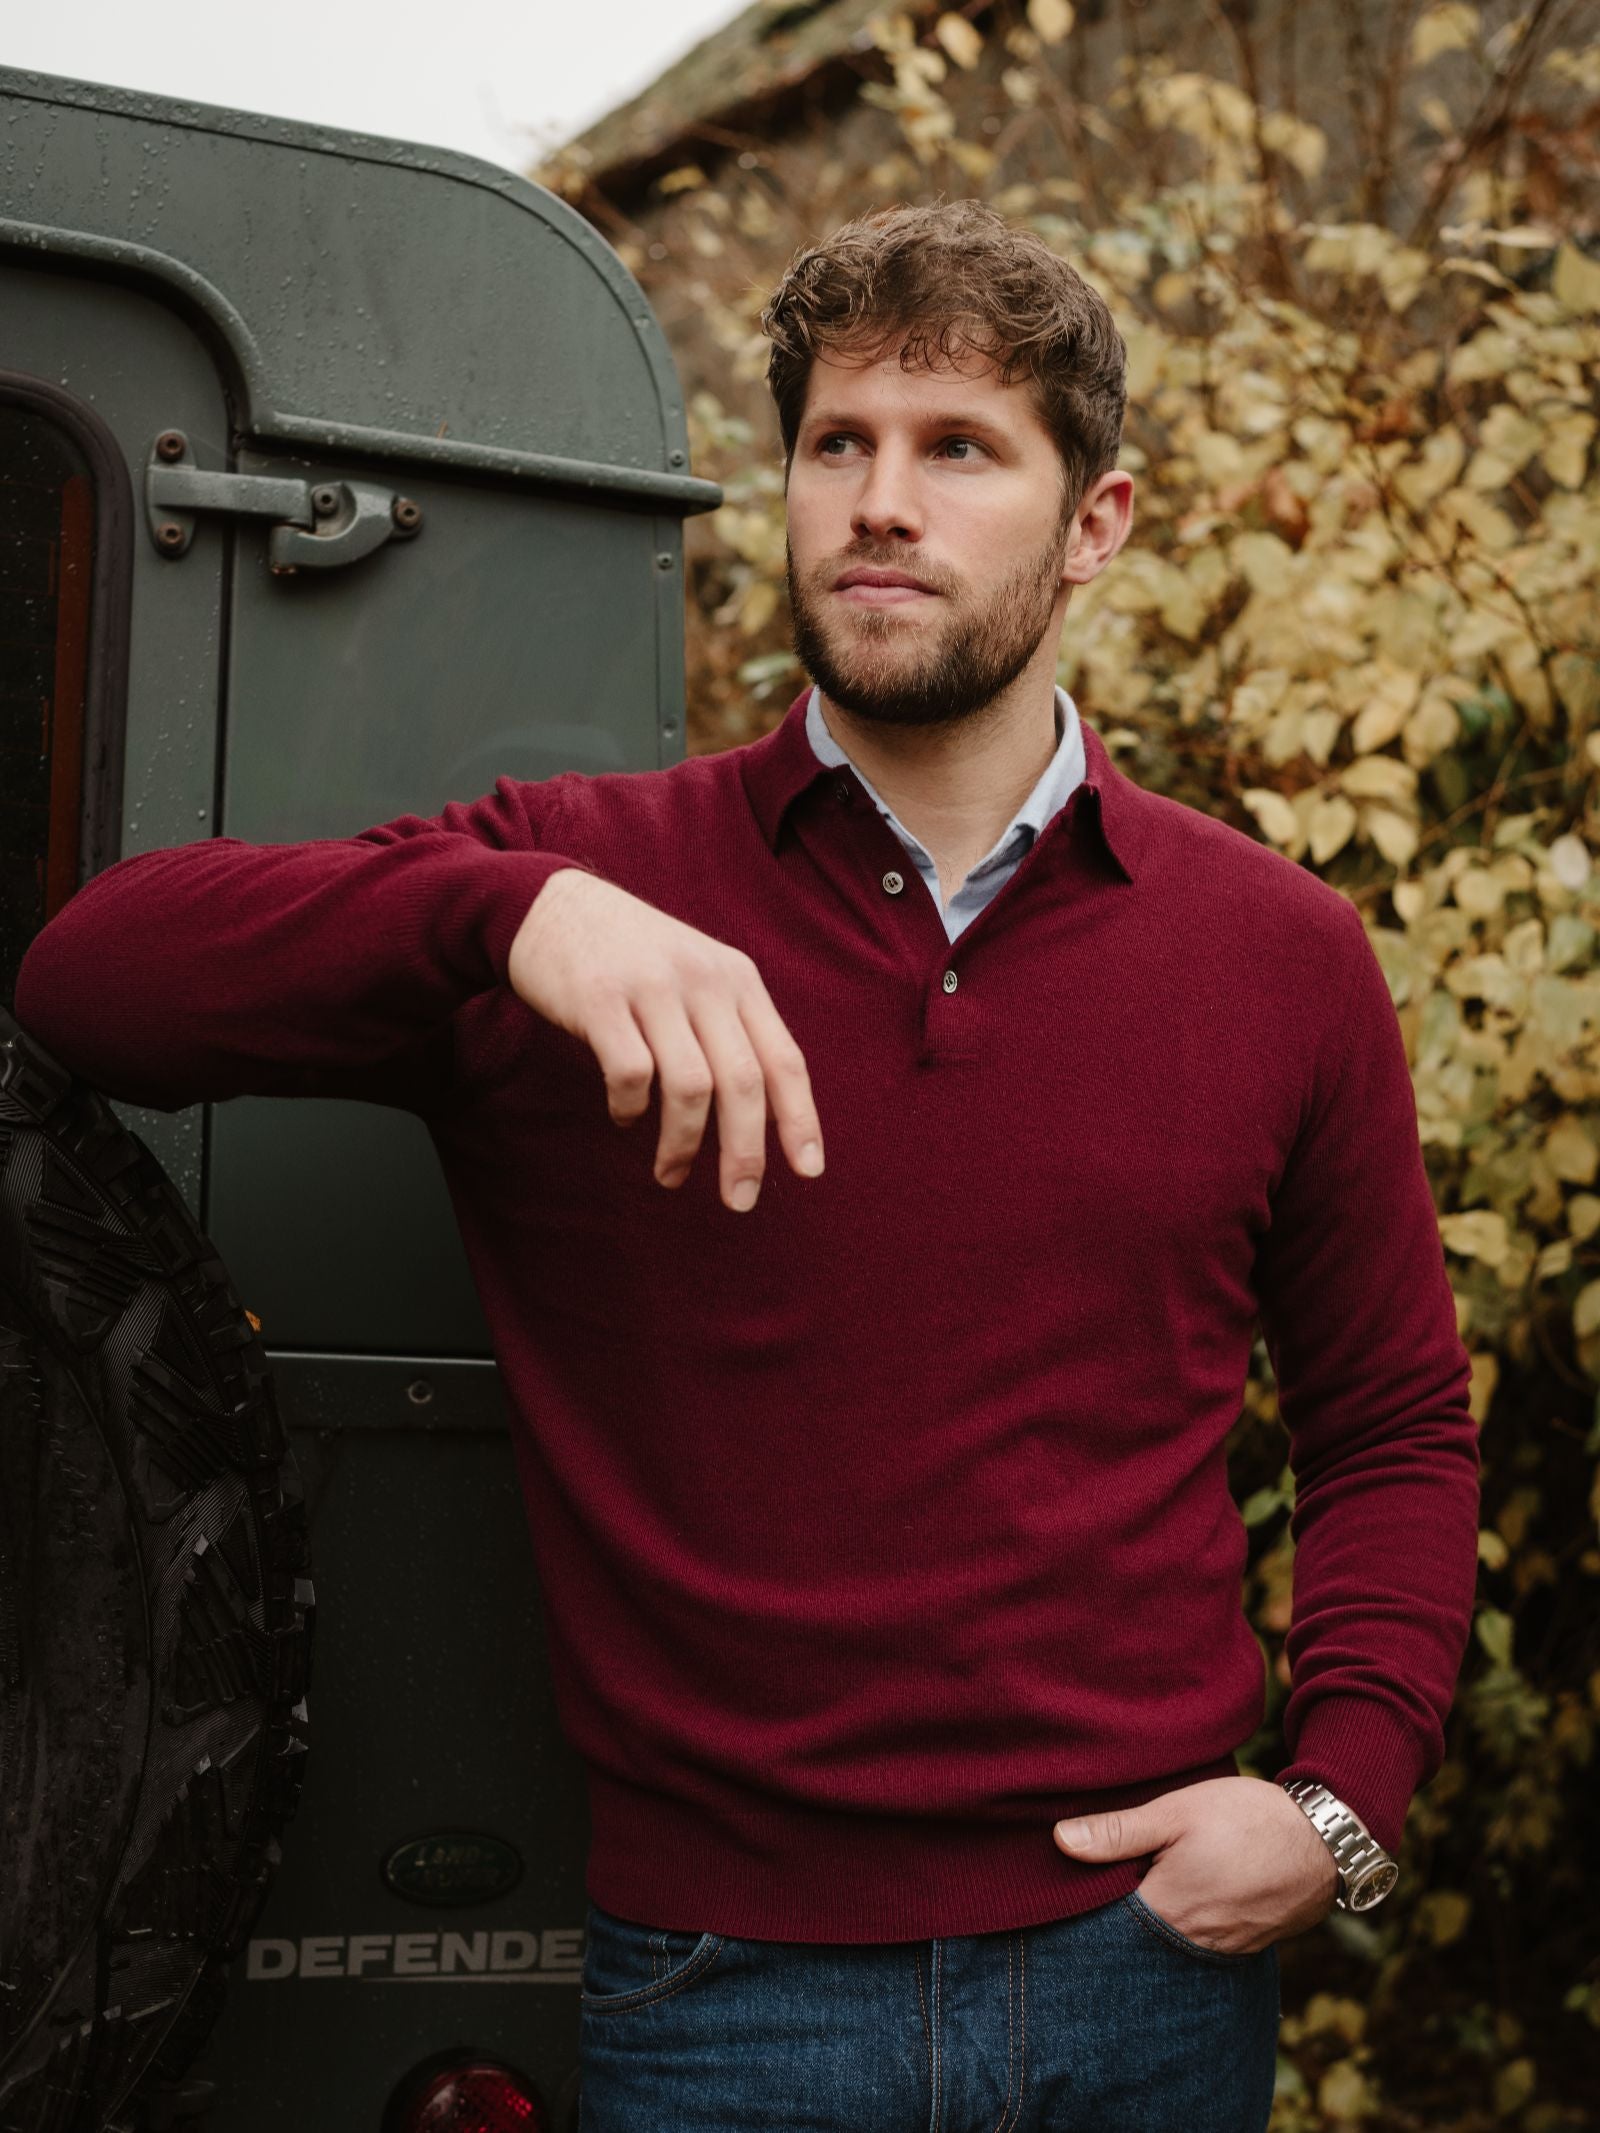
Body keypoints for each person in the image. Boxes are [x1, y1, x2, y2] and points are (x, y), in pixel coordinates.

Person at [15, 201, 1481, 2132]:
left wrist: (1340, 1801)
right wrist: (508, 917)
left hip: (1153, 1970)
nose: (883, 501)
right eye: (836, 444)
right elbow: (92, 976)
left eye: (959, 448)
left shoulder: (1276, 948)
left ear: (1095, 521)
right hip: (729, 2005)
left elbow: (1392, 1422)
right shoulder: (580, 884)